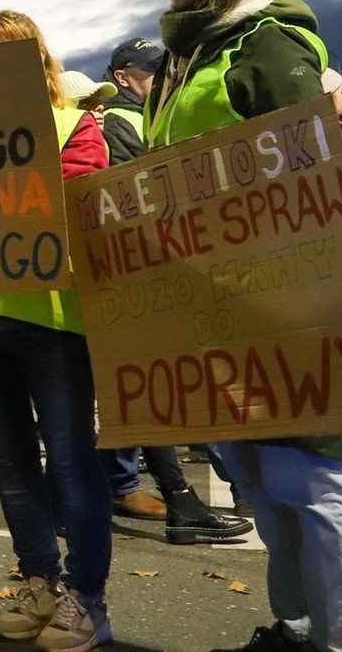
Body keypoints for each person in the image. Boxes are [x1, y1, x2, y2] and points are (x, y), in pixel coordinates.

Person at [139, 0, 342, 652]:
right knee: (259, 483)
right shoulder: (181, 59)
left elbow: (319, 173)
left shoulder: (267, 46)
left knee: (308, 477)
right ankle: (297, 627)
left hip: (282, 300)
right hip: (210, 300)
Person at [0, 11, 112, 652]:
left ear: (38, 58)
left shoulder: (74, 122)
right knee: (12, 464)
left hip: (49, 315)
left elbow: (84, 192)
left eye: (11, 54)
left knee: (70, 460)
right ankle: (39, 581)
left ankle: (86, 599)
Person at [71, 62, 253, 543]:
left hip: (115, 275)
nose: (98, 109)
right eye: (88, 103)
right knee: (147, 385)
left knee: (137, 388)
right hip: (115, 278)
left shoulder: (100, 134)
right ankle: (184, 496)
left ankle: (173, 496)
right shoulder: (93, 139)